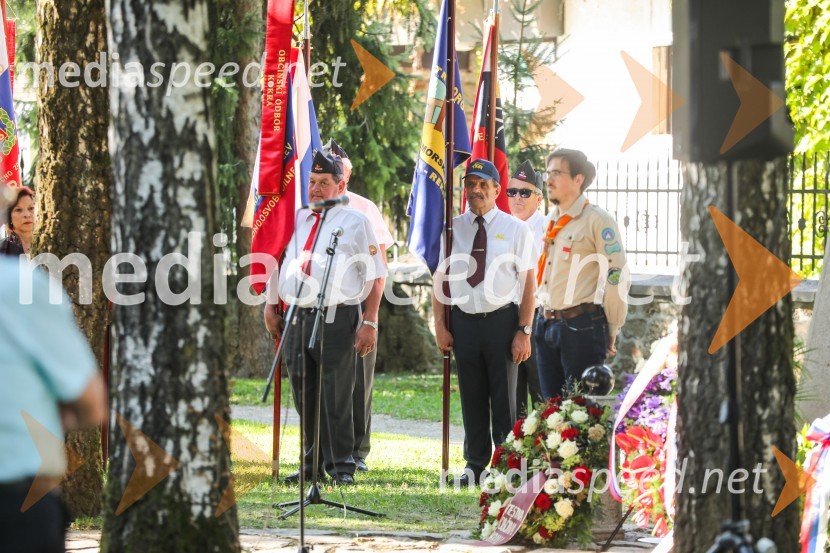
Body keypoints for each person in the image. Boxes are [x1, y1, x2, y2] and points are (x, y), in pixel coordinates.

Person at [264, 151, 387, 486]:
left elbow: (376, 275)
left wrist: (370, 321)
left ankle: (341, 466)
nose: (315, 189)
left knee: (337, 395)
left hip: (338, 316)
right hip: (296, 317)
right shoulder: (298, 217)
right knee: (304, 393)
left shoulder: (356, 222)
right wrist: (270, 305)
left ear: (341, 184)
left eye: (324, 182)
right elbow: (278, 262)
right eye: (312, 182)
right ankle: (311, 464)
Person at [0, 185, 106, 552]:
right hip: (20, 497)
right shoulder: (19, 278)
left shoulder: (51, 256)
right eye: (20, 209)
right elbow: (91, 403)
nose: (28, 214)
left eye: (33, 208)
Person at [432, 159, 536, 487]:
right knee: (472, 396)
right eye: (471, 183)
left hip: (502, 322)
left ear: (496, 190)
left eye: (483, 184)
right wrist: (440, 325)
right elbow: (440, 280)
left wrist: (523, 330)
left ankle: (507, 467)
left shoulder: (516, 229)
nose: (476, 190)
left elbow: (529, 284)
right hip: (463, 323)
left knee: (505, 399)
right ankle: (475, 465)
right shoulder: (453, 228)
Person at [323, 139, 394, 473]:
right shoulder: (311, 206)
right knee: (325, 383)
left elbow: (378, 265)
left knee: (357, 382)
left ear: (346, 173)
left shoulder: (364, 207)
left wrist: (371, 318)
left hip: (357, 306)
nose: (333, 163)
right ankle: (323, 451)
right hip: (321, 306)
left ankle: (357, 451)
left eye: (338, 160)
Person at [535, 148, 628, 399]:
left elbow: (615, 275)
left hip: (580, 327)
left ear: (578, 179)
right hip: (545, 323)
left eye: (556, 173)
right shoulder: (550, 221)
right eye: (547, 173)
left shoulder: (597, 220)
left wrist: (613, 325)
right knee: (549, 411)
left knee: (580, 413)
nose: (549, 180)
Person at [506, 160, 546, 416]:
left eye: (525, 192)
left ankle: (544, 452)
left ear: (539, 198)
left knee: (541, 391)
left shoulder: (549, 230)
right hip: (506, 315)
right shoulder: (502, 226)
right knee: (511, 393)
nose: (517, 197)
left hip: (538, 317)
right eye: (512, 191)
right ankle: (515, 453)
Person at [1, 186, 35, 257]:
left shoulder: (52, 242)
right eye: (18, 210)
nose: (27, 215)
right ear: (9, 217)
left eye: (31, 208)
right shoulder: (3, 251)